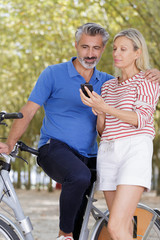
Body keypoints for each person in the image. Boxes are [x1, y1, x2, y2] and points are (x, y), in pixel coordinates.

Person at [0, 24, 159, 240]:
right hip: (55, 148)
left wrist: (155, 72)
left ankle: (78, 234)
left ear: (102, 49)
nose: (90, 53)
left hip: (94, 155)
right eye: (85, 47)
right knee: (79, 176)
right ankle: (64, 235)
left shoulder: (107, 82)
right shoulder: (53, 74)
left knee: (105, 211)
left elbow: (133, 93)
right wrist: (9, 144)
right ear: (76, 46)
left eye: (96, 48)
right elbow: (28, 112)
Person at [80, 28, 159, 240]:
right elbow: (103, 131)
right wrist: (98, 111)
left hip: (134, 149)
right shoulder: (107, 86)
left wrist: (105, 108)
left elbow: (140, 118)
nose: (117, 53)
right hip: (108, 152)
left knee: (114, 227)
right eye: (115, 49)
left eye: (124, 49)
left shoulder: (148, 81)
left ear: (137, 52)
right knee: (121, 228)